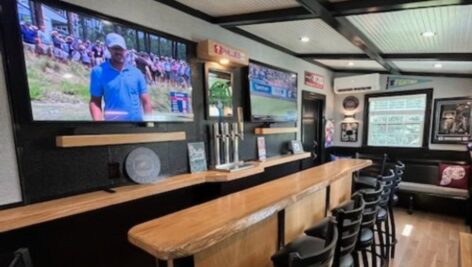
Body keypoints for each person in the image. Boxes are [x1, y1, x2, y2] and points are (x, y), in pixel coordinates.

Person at [89, 33, 152, 121]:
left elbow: (146, 101)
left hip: (137, 127)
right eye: (115, 48)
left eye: (121, 48)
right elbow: (95, 101)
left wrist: (148, 124)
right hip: (113, 128)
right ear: (108, 49)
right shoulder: (98, 72)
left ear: (126, 50)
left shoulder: (137, 73)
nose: (118, 52)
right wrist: (98, 125)